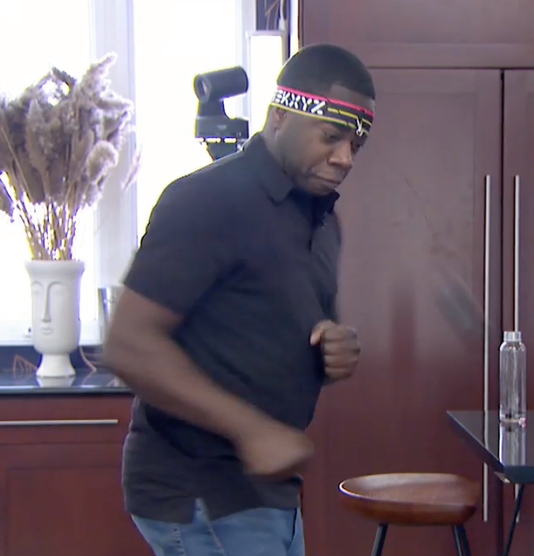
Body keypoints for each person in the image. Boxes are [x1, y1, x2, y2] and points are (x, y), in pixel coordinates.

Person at [103, 43, 376, 556]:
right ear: (279, 117)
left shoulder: (320, 220)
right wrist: (252, 431)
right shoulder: (208, 200)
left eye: (355, 146)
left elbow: (286, 327)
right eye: (331, 137)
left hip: (265, 493)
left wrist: (333, 346)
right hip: (201, 490)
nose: (344, 158)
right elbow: (128, 344)